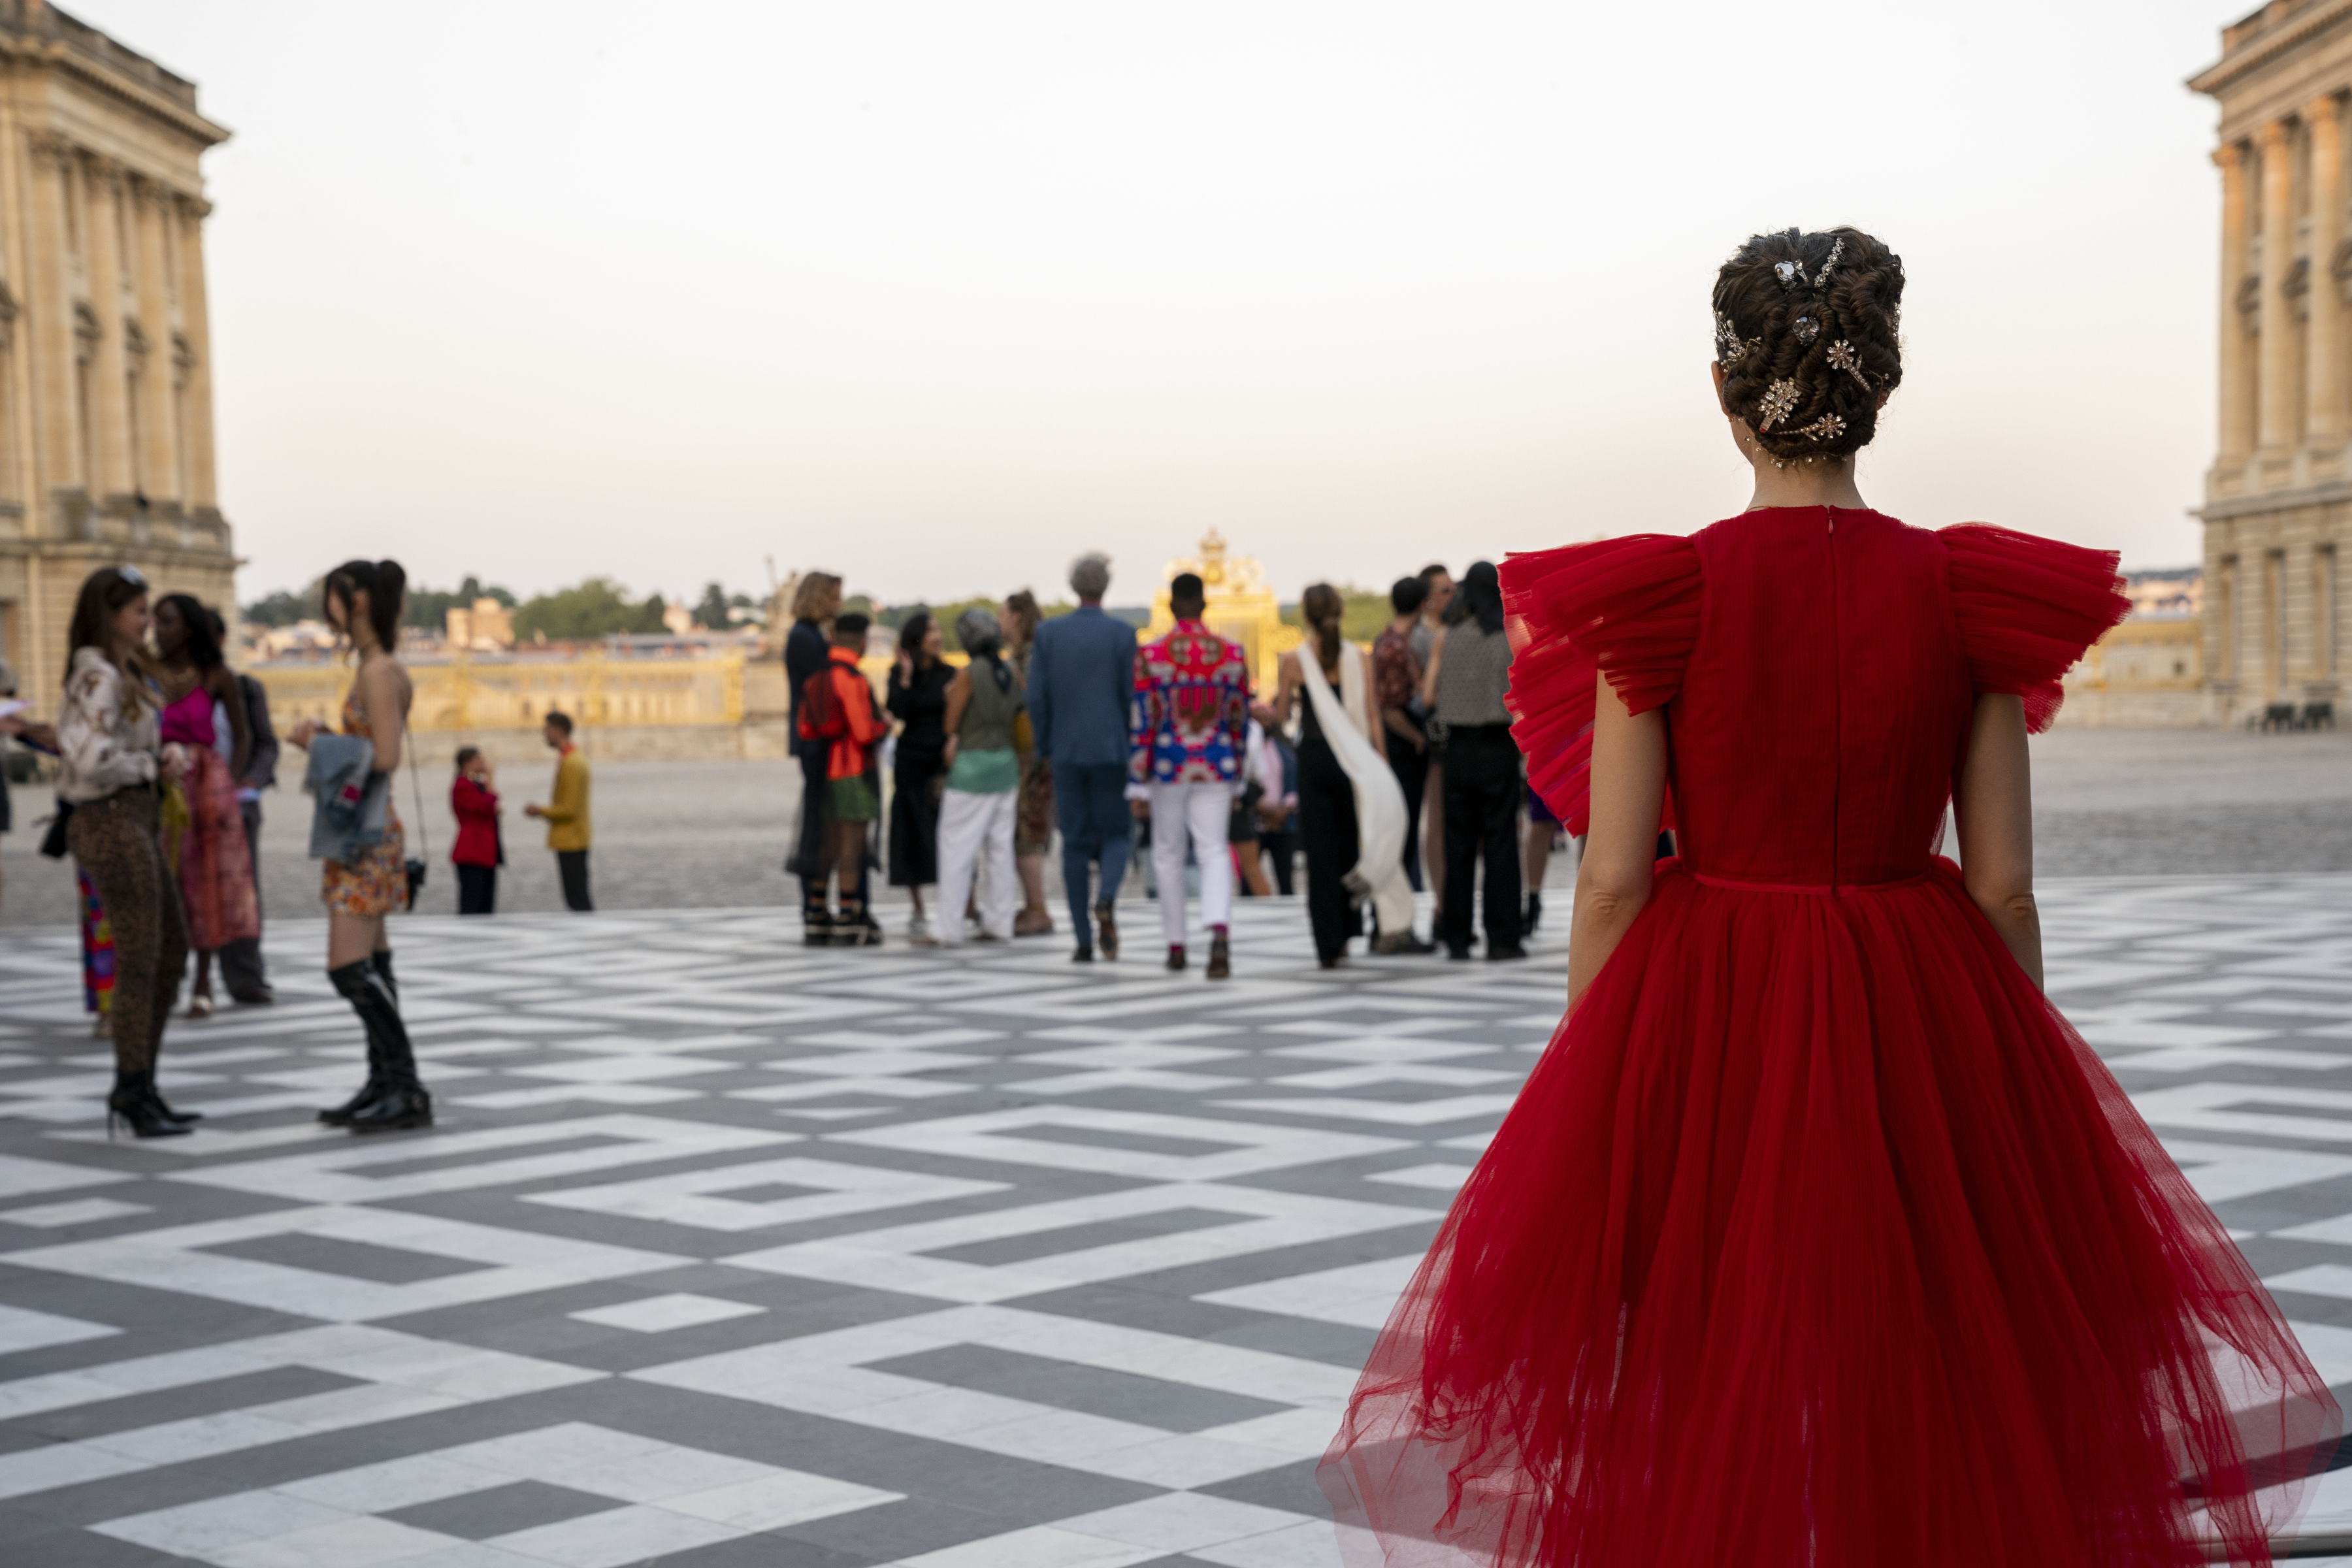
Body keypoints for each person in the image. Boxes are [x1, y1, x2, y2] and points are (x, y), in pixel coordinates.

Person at [1321, 225, 2338, 1566]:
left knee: (1707, 1369)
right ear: (1884, 389)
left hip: (1714, 996)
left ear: (1726, 397)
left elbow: (1617, 876)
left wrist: (1599, 1082)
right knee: (1934, 1373)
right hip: (1922, 984)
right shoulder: (1965, 590)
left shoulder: (1666, 594)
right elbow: (2007, 881)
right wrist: (2009, 1074)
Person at [287, 559, 431, 1133]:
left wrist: (321, 742)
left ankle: (407, 1087)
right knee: (373, 963)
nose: (329, 613)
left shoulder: (378, 671)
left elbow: (386, 756)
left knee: (347, 968)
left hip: (367, 837)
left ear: (359, 602)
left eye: (334, 601)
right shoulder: (378, 666)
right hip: (369, 832)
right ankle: (385, 1084)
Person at [57, 566, 195, 1136]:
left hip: (132, 816)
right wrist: (146, 764)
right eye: (139, 611)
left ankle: (139, 1082)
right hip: (110, 818)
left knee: (170, 948)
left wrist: (164, 755)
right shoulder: (100, 675)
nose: (147, 622)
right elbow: (88, 760)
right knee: (145, 955)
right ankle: (133, 1089)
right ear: (110, 614)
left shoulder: (121, 672)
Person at [1276, 583, 1419, 967]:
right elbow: (1372, 714)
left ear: (1305, 615)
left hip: (1314, 759)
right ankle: (1346, 934)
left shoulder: (1294, 660)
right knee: (1346, 848)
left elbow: (1279, 715)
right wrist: (1381, 764)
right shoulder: (1358, 657)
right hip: (1352, 760)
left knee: (1320, 855)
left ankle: (1327, 943)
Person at [1130, 572, 1250, 978]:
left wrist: (1137, 777)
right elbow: (1240, 718)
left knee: (1168, 853)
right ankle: (1219, 930)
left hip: (1167, 763)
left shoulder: (1152, 656)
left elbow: (1143, 720)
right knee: (1214, 849)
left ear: (1170, 606)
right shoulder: (1231, 654)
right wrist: (1239, 770)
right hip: (1216, 762)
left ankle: (1176, 943)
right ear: (1204, 604)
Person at [1026, 553, 1137, 962]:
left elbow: (1036, 696)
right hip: (1112, 749)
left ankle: (1083, 940)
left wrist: (1046, 746)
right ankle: (1106, 896)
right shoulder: (1123, 634)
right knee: (1116, 835)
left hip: (1067, 749)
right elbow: (1131, 697)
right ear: (1105, 587)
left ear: (1074, 587)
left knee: (1073, 843)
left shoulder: (1049, 634)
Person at [152, 593, 258, 1019]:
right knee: (165, 882)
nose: (158, 630)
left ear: (189, 629)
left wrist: (227, 782)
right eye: (155, 621)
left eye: (167, 622)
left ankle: (202, 981)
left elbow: (243, 733)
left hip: (205, 788)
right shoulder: (148, 675)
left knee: (206, 883)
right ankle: (167, 974)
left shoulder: (217, 677)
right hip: (160, 781)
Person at [1419, 559, 1524, 960]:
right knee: (1501, 840)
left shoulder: (1447, 634)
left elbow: (1428, 697)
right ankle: (1503, 937)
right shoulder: (1510, 635)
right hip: (1499, 745)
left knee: (1457, 841)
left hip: (1458, 750)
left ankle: (1457, 935)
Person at [933, 606, 1023, 945]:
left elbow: (951, 724)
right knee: (1000, 850)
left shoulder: (968, 674)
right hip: (1005, 764)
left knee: (957, 848)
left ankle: (949, 926)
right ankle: (1000, 922)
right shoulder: (1011, 671)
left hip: (972, 764)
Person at [800, 611, 889, 943]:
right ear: (863, 641)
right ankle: (850, 918)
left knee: (827, 844)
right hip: (852, 770)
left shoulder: (815, 679)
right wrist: (886, 725)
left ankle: (817, 912)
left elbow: (805, 728)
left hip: (823, 772)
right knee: (852, 846)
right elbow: (865, 733)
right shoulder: (852, 679)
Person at [210, 610, 278, 1005]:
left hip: (238, 807)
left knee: (241, 894)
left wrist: (251, 779)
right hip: (186, 805)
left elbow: (266, 743)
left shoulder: (246, 688)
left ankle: (245, 977)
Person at [785, 572, 845, 943]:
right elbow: (828, 683)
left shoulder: (806, 636)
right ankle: (814, 904)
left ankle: (817, 901)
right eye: (835, 598)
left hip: (814, 741)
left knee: (823, 822)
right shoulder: (804, 639)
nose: (839, 605)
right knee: (819, 825)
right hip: (816, 742)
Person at [886, 612, 952, 943]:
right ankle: (917, 905)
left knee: (949, 833)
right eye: (931, 631)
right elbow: (897, 711)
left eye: (938, 630)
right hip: (911, 762)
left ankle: (959, 903)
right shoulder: (899, 673)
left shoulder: (950, 673)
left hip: (942, 763)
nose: (938, 635)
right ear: (916, 638)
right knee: (911, 833)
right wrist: (907, 679)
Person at [1002, 589, 1056, 936]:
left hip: (1031, 756)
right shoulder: (1035, 653)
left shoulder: (1032, 658)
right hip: (1033, 754)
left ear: (1017, 617)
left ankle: (1037, 907)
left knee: (1027, 833)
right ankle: (1032, 904)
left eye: (1002, 615)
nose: (1000, 622)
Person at [1371, 576, 1430, 893]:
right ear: (1422, 605)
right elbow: (1390, 709)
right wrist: (1417, 737)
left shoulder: (1387, 641)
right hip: (1402, 748)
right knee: (1403, 828)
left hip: (1400, 746)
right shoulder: (1396, 647)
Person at [1413, 562, 1454, 904]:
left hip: (1460, 736)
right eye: (1444, 590)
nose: (1451, 596)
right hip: (1432, 738)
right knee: (1437, 821)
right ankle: (1441, 898)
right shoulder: (1420, 638)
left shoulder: (1457, 631)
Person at [524, 711, 591, 911]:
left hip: (570, 838)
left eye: (546, 730)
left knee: (577, 899)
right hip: (574, 836)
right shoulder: (572, 759)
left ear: (558, 731)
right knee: (577, 896)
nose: (544, 735)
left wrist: (540, 811)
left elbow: (569, 809)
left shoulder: (571, 763)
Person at [1249, 701, 1299, 896]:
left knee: (1286, 879)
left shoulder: (1284, 751)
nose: (1264, 725)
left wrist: (1282, 811)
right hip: (1255, 821)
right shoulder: (1245, 750)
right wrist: (1261, 810)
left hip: (1281, 822)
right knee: (1250, 879)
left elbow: (1294, 784)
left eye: (1267, 720)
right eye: (1258, 720)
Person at [451, 746, 502, 914]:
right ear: (467, 764)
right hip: (472, 851)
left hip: (486, 851)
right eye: (479, 760)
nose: (483, 763)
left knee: (486, 903)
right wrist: (491, 778)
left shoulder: (475, 785)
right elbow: (485, 805)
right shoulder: (462, 787)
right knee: (472, 903)